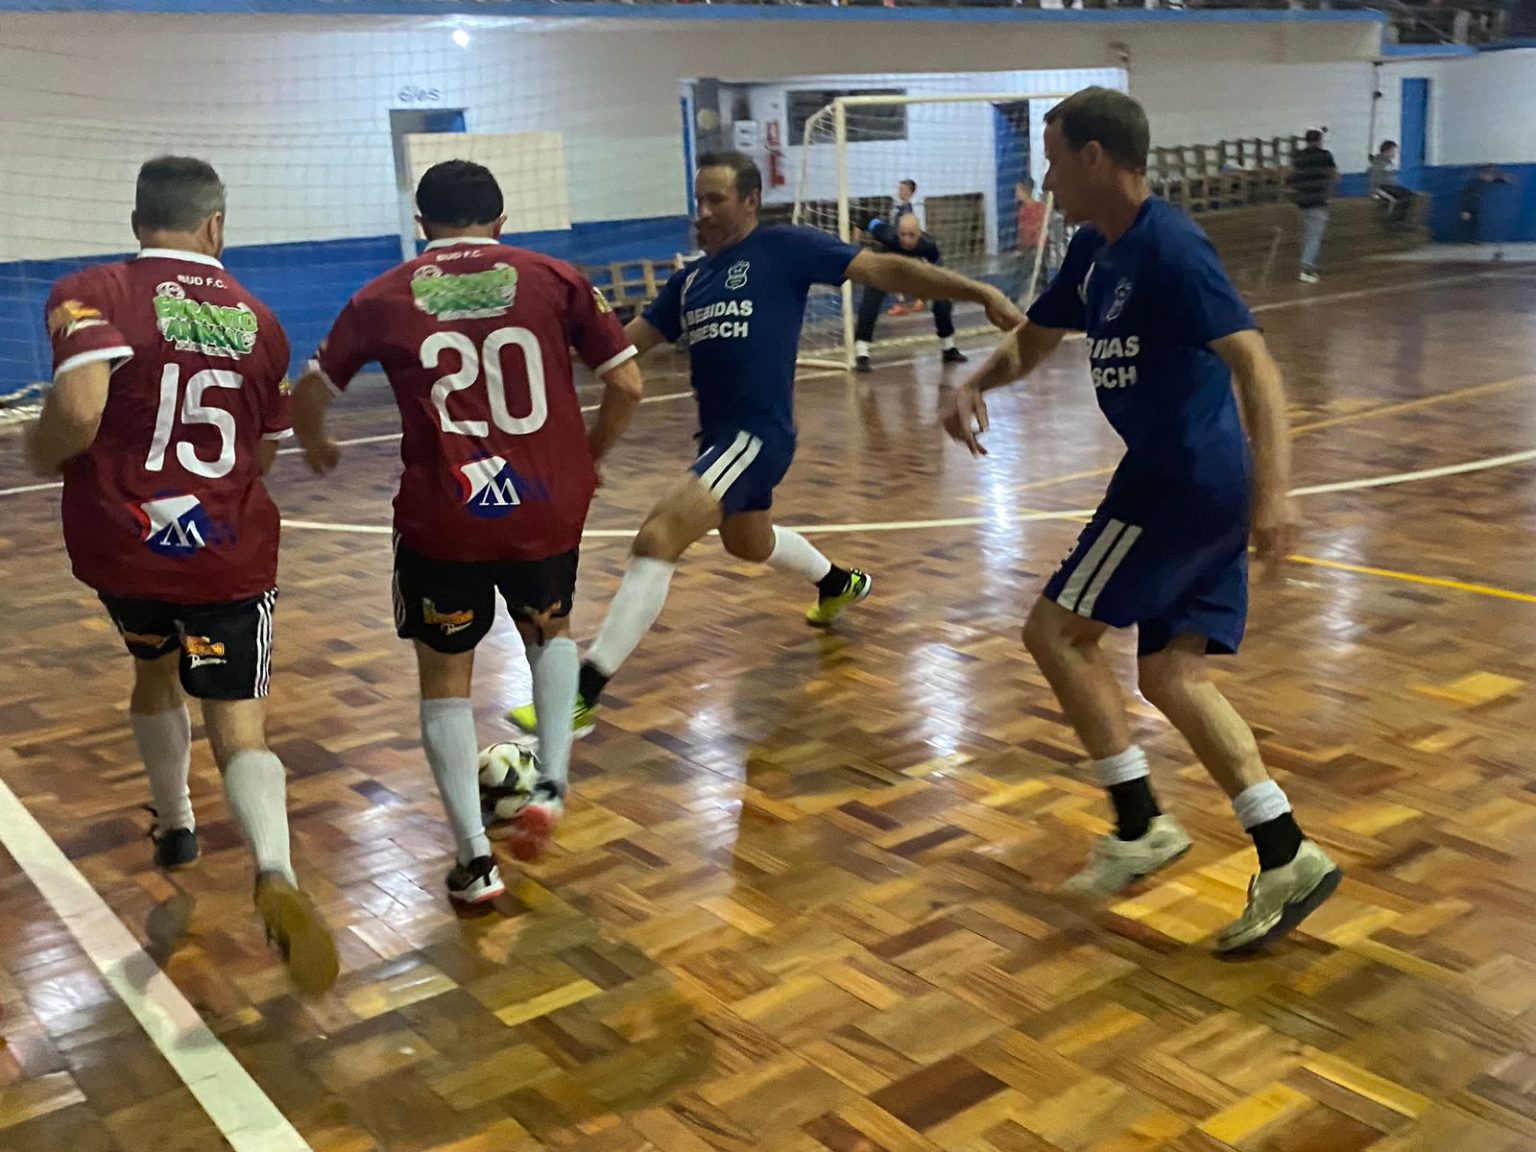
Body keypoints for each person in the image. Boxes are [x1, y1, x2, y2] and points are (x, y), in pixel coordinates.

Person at [942, 88, 1340, 954]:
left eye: (1054, 160)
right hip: (1196, 483)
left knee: (1054, 632)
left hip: (1180, 483)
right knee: (1170, 674)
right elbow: (1036, 339)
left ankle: (1139, 825)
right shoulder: (1095, 249)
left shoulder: (1170, 247)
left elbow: (1257, 366)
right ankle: (1286, 851)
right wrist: (976, 381)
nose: (1047, 178)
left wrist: (1277, 493)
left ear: (1094, 157)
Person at [508, 151, 1021, 739]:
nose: (702, 212)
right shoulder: (688, 282)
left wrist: (977, 290)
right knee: (748, 542)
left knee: (658, 535)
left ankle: (580, 695)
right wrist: (543, 343)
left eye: (716, 200)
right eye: (698, 201)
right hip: (718, 439)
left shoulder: (783, 248)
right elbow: (621, 350)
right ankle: (836, 583)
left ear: (751, 200)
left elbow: (884, 270)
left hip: (758, 435)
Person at [24, 156, 338, 993]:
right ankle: (274, 871)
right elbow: (263, 454)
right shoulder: (261, 320)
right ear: (216, 226)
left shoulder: (89, 292)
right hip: (225, 554)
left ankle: (176, 824)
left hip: (123, 548)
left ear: (138, 222)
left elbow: (79, 411)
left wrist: (35, 448)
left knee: (153, 670)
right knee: (239, 724)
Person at [291, 161, 644, 904]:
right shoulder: (556, 277)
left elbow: (311, 389)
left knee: (446, 680)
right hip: (544, 501)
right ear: (502, 220)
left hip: (444, 514)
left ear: (421, 223)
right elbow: (627, 382)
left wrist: (317, 441)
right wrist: (590, 454)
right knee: (550, 631)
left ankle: (475, 860)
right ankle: (550, 783)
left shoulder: (381, 295)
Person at [853, 213, 968, 373]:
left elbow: (938, 271)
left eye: (911, 235)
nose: (906, 239)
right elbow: (863, 221)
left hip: (913, 274)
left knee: (942, 302)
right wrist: (855, 249)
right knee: (870, 303)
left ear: (919, 234)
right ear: (897, 232)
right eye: (903, 235)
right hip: (883, 271)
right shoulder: (886, 234)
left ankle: (948, 348)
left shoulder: (929, 245)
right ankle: (862, 353)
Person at [1289, 128, 1337, 284]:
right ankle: (1306, 268)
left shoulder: (1298, 156)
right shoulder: (1325, 156)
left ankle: (1309, 262)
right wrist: (1330, 191)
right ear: (1319, 140)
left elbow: (1292, 176)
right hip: (1318, 199)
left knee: (1309, 234)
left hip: (1302, 200)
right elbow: (1334, 174)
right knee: (1314, 236)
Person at [1015, 178, 1051, 299]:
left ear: (1025, 191)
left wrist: (1035, 245)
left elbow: (1038, 229)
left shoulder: (1040, 208)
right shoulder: (1022, 210)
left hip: (1038, 246)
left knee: (1034, 272)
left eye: (1018, 191)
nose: (1016, 194)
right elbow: (1022, 231)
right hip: (1029, 247)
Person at [1367, 141, 1414, 226]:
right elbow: (1378, 179)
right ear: (1387, 151)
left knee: (1407, 193)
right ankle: (1395, 220)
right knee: (1405, 194)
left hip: (1386, 186)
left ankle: (1399, 219)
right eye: (1393, 151)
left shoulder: (1384, 162)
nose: (1395, 154)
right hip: (1381, 188)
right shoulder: (1381, 162)